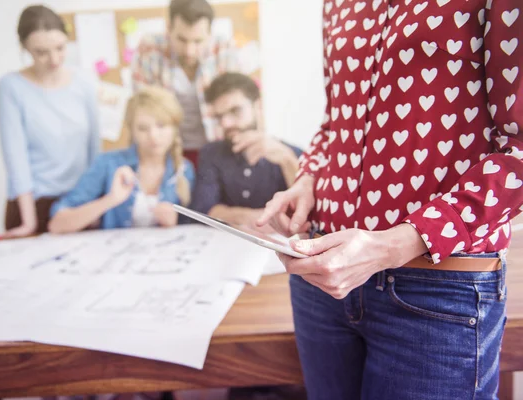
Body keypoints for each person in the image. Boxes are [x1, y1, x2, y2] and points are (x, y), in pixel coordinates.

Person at [257, 1, 522, 399]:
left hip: (436, 286)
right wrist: (308, 178)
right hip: (322, 284)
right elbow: (335, 122)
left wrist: (398, 241)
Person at [0, 5, 99, 238]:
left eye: (60, 48)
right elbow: (16, 157)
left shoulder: (84, 82)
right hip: (32, 204)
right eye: (41, 52)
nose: (54, 59)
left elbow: (95, 151)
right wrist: (29, 222)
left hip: (76, 203)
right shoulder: (11, 87)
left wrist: (92, 207)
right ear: (25, 48)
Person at [49, 86, 194, 233]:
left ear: (175, 127)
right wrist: (111, 199)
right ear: (132, 131)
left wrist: (173, 221)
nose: (153, 136)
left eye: (161, 125)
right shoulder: (108, 163)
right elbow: (57, 224)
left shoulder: (184, 169)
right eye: (143, 128)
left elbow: (191, 229)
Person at [131, 0, 239, 166]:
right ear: (169, 28)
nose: (189, 50)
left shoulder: (224, 49)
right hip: (165, 149)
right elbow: (143, 107)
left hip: (215, 147)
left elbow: (237, 105)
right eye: (182, 39)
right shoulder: (149, 48)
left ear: (209, 34)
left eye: (197, 41)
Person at [188, 72, 301, 228]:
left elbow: (308, 211)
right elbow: (202, 210)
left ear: (258, 106)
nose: (226, 123)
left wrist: (287, 161)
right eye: (219, 117)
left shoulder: (293, 154)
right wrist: (268, 218)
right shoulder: (210, 153)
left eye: (235, 111)